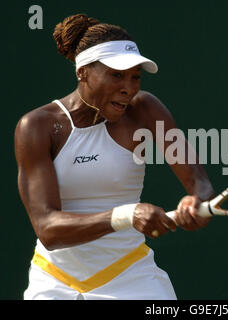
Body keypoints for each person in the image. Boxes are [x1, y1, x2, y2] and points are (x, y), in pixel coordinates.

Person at [15, 14, 215, 300]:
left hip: (131, 278)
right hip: (53, 284)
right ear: (82, 71)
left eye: (136, 77)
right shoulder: (37, 126)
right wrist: (126, 215)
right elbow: (48, 229)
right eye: (117, 75)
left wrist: (198, 201)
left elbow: (200, 183)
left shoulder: (145, 109)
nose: (129, 88)